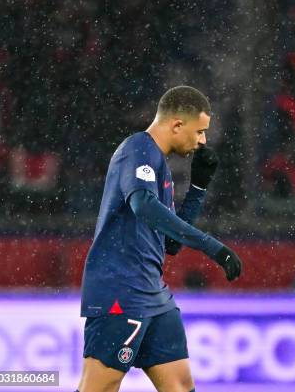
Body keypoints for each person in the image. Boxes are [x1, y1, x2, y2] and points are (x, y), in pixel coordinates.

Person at [77, 85, 242, 392]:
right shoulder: (137, 149)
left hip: (153, 294)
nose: (203, 140)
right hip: (120, 291)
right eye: (200, 131)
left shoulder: (159, 165)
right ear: (177, 125)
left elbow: (171, 244)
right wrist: (213, 248)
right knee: (99, 387)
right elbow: (143, 206)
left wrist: (198, 189)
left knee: (180, 385)